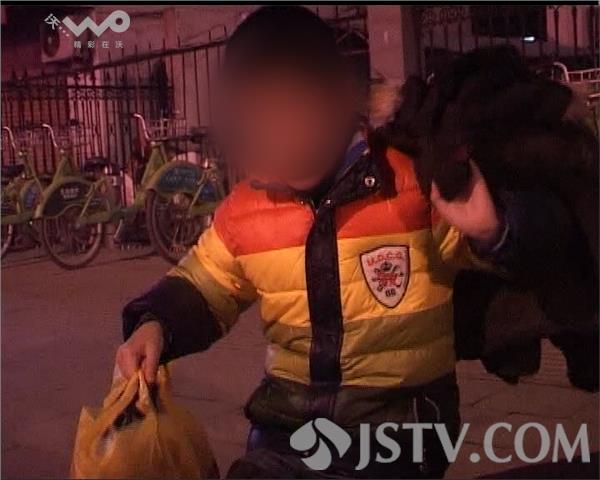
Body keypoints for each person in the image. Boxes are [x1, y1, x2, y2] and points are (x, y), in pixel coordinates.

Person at [114, 6, 572, 478]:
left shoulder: (411, 183)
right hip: (286, 428)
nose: (281, 135)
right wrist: (156, 324)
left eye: (295, 109)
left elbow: (538, 256)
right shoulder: (247, 210)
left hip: (400, 429)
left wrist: (493, 228)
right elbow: (206, 282)